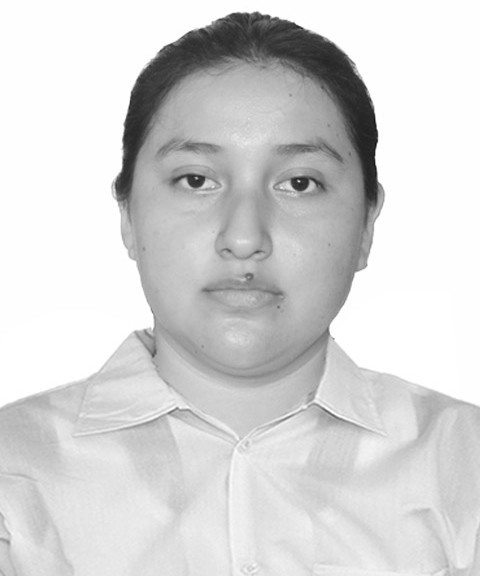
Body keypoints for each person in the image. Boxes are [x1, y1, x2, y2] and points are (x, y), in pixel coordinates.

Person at [0, 11, 478, 576]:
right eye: (196, 180)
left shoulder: (463, 469)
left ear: (366, 224)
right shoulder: (15, 474)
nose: (245, 237)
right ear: (127, 215)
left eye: (299, 183)